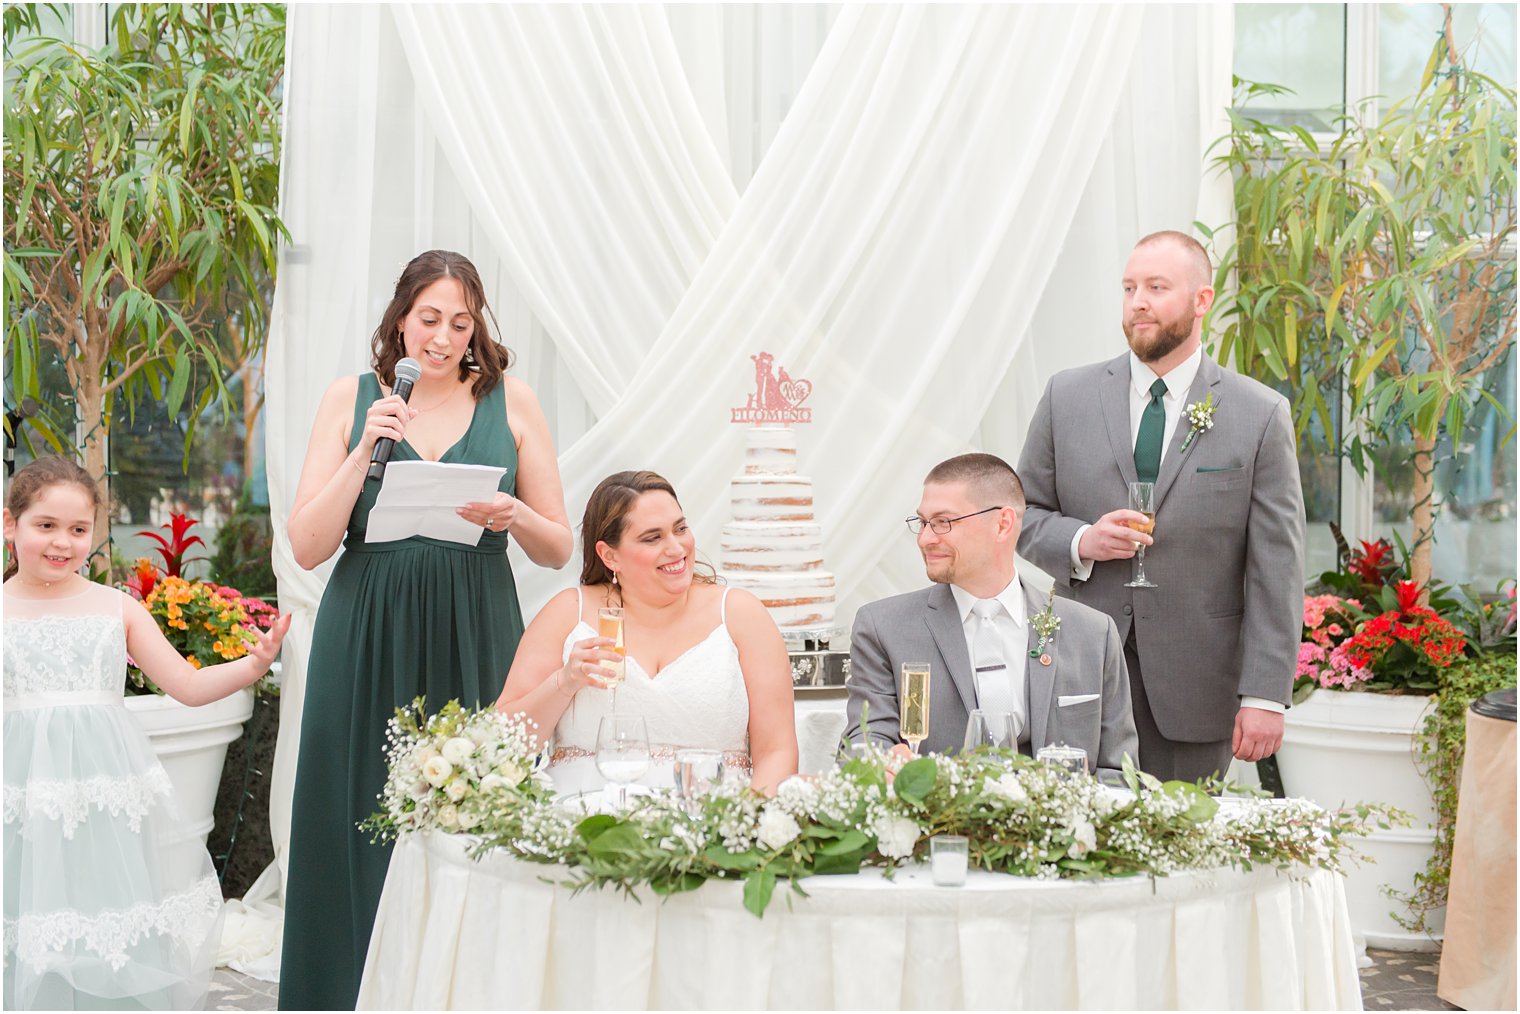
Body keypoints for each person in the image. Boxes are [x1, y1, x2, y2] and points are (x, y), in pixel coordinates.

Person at [279, 250, 572, 1009]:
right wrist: (364, 451)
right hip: (366, 624)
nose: (443, 337)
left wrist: (516, 515)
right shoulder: (351, 397)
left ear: (476, 331)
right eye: (430, 318)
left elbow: (560, 546)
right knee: (357, 806)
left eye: (461, 322)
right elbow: (306, 544)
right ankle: (343, 992)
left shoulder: (513, 402)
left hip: (474, 619)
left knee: (478, 808)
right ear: (401, 319)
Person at [1017, 230, 1305, 783]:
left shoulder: (1259, 414)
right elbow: (1021, 513)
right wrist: (1082, 543)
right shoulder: (1065, 397)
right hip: (1077, 673)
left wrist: (1267, 693)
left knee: (1182, 853)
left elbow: (1277, 566)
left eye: (1155, 286)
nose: (1137, 302)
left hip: (1196, 689)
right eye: (1128, 288)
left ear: (1202, 300)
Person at [3, 457, 290, 1010]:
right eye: (46, 526)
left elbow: (185, 683)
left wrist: (252, 667)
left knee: (99, 911)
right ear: (10, 524)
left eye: (79, 530)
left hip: (103, 796)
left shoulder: (115, 607)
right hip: (20, 795)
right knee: (23, 912)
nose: (62, 542)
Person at [497, 470, 798, 795]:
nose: (676, 548)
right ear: (609, 555)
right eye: (652, 538)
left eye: (680, 529)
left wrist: (748, 827)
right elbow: (502, 744)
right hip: (584, 822)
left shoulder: (741, 614)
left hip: (711, 823)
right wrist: (564, 682)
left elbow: (776, 751)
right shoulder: (569, 612)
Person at [846, 453, 1138, 778]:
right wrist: (882, 764)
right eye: (923, 522)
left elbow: (1120, 773)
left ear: (1003, 524)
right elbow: (865, 747)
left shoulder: (1093, 633)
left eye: (943, 522)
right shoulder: (883, 628)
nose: (925, 538)